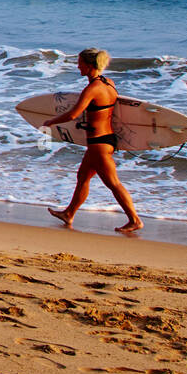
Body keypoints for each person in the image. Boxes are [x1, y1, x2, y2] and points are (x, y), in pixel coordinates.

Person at [42, 48, 142, 234]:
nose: (77, 66)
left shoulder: (92, 88)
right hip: (105, 139)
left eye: (80, 63)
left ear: (89, 66)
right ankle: (69, 213)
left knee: (113, 183)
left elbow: (73, 114)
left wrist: (51, 122)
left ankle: (134, 220)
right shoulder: (108, 83)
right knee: (82, 177)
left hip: (99, 143)